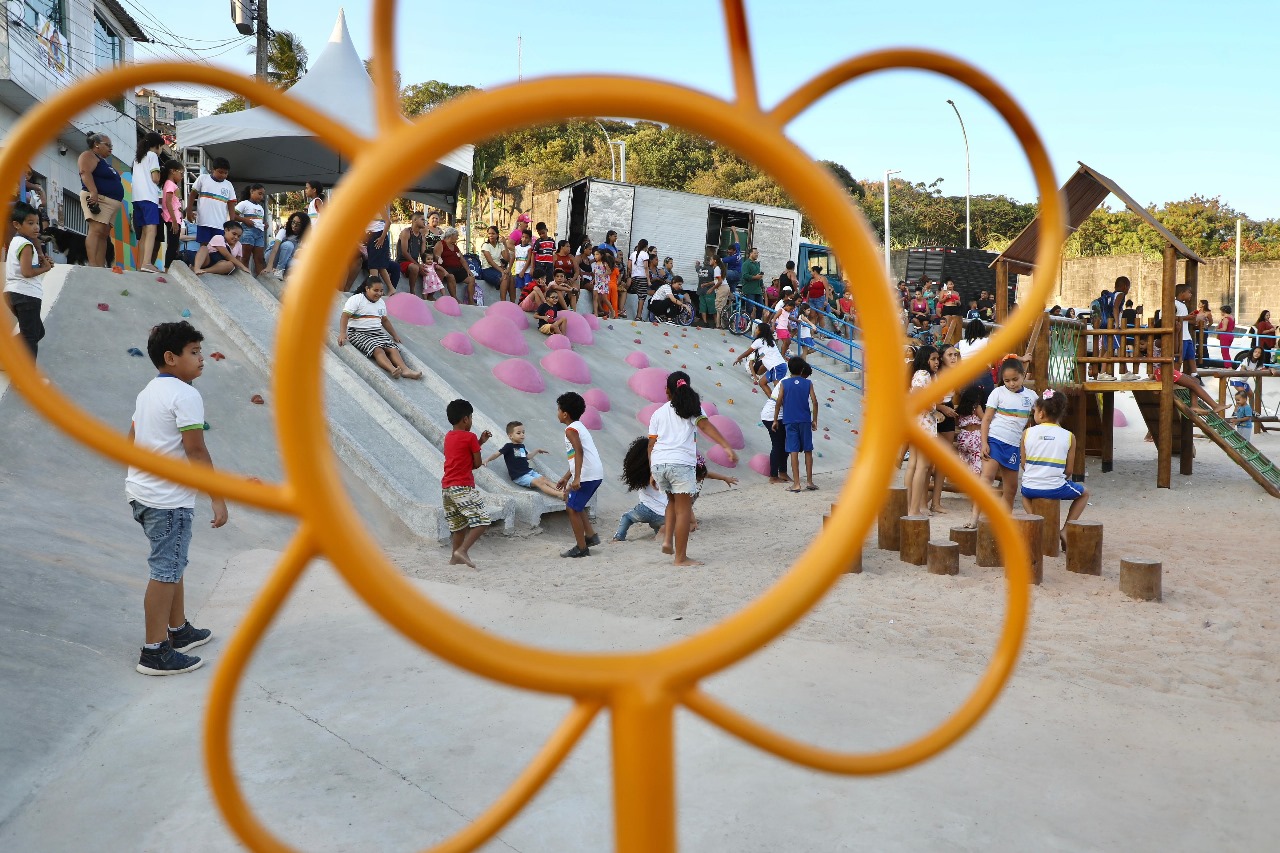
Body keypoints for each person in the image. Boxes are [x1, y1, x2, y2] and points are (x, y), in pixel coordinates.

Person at [127, 321, 227, 675]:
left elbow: (132, 437)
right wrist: (217, 497)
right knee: (165, 570)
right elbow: (196, 451)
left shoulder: (149, 391)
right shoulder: (186, 395)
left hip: (143, 493)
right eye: (194, 352)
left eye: (201, 351)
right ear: (171, 358)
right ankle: (154, 651)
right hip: (167, 501)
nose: (202, 359)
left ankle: (179, 630)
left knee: (173, 562)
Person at [648, 371, 738, 565]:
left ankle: (666, 540)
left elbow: (651, 445)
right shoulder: (691, 407)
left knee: (671, 503)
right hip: (680, 463)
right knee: (683, 511)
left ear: (667, 391)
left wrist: (652, 471)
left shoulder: (658, 413)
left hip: (659, 463)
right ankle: (680, 558)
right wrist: (725, 445)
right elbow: (705, 426)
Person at [965, 357, 1036, 528]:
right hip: (995, 440)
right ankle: (974, 517)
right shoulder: (998, 393)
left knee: (1011, 488)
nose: (1011, 384)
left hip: (1013, 445)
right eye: (1007, 380)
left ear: (1023, 375)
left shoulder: (1031, 396)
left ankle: (1004, 523)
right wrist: (984, 443)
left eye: (1015, 379)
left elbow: (1039, 417)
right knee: (986, 479)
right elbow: (987, 419)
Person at [1020, 389, 1088, 552]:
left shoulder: (1027, 433)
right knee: (1085, 493)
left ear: (1041, 413)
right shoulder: (1069, 436)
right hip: (1056, 487)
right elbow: (1069, 470)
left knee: (1024, 495)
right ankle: (1065, 530)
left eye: (1034, 411)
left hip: (1030, 487)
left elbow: (1024, 464)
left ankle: (1038, 522)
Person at [338, 276, 423, 379]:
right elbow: (345, 316)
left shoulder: (381, 302)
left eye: (381, 291)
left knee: (393, 348)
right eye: (376, 290)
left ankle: (405, 370)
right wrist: (343, 333)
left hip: (376, 332)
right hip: (358, 332)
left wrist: (394, 335)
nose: (379, 293)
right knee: (378, 349)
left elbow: (384, 320)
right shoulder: (356, 299)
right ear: (367, 289)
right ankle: (392, 369)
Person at [441, 399, 492, 567]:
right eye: (471, 418)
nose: (471, 421)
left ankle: (454, 559)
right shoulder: (470, 437)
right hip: (463, 486)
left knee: (459, 526)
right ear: (465, 419)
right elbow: (476, 464)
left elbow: (462, 457)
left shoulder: (449, 436)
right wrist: (478, 445)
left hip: (447, 488)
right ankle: (462, 550)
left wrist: (480, 442)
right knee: (483, 520)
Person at [555, 391, 604, 558]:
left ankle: (581, 548)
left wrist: (577, 479)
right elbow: (577, 456)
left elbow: (579, 451)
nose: (557, 413)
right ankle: (590, 535)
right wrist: (567, 477)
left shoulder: (570, 430)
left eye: (558, 409)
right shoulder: (579, 426)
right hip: (594, 473)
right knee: (574, 502)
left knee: (571, 508)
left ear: (565, 414)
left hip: (587, 475)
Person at [5, 202, 54, 358]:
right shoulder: (26, 245)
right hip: (26, 295)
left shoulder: (17, 241)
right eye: (30, 223)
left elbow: (27, 266)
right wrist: (45, 268)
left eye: (37, 223)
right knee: (30, 338)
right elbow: (27, 272)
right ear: (17, 225)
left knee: (38, 331)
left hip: (15, 293)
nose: (36, 227)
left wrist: (40, 259)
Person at [77, 133, 125, 268]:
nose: (111, 148)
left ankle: (99, 265)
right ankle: (93, 264)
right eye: (108, 145)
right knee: (96, 230)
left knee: (104, 234)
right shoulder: (88, 155)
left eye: (112, 146)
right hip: (99, 198)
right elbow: (84, 172)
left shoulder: (103, 161)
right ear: (96, 144)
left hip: (111, 202)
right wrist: (93, 192)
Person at [902, 345, 940, 516]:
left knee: (915, 466)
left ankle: (911, 507)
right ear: (925, 359)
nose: (937, 362)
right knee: (922, 467)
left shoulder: (919, 374)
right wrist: (933, 410)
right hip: (924, 423)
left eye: (937, 359)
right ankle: (913, 509)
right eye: (933, 359)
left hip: (918, 422)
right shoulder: (924, 375)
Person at [484, 421, 565, 499]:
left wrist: (537, 450)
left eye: (523, 432)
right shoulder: (508, 446)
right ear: (510, 436)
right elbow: (496, 454)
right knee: (539, 482)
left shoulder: (521, 446)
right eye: (518, 433)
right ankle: (559, 494)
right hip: (519, 476)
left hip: (529, 472)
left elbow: (527, 457)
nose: (522, 435)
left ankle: (563, 490)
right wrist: (487, 459)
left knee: (544, 479)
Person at [773, 356, 819, 493]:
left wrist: (775, 420)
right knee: (808, 450)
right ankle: (810, 482)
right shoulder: (808, 383)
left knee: (793, 450)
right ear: (802, 369)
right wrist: (815, 419)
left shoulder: (785, 384)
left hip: (790, 420)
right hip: (805, 419)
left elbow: (778, 402)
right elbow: (815, 402)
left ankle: (797, 483)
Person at [614, 437, 668, 541]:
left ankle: (618, 538)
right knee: (659, 526)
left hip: (645, 510)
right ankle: (661, 530)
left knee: (626, 518)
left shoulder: (640, 475)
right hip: (663, 514)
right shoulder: (661, 470)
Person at [930, 344, 961, 513]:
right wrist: (942, 409)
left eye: (955, 354)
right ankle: (922, 499)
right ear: (942, 357)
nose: (953, 357)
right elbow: (930, 400)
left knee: (943, 460)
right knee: (928, 461)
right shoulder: (934, 375)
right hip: (934, 411)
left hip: (947, 409)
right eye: (949, 355)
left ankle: (936, 501)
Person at [130, 132, 165, 273]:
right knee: (152, 230)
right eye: (161, 146)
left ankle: (141, 265)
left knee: (144, 232)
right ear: (157, 146)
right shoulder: (153, 156)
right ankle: (147, 263)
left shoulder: (137, 159)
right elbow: (155, 178)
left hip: (136, 198)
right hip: (149, 197)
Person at [186, 158, 238, 256]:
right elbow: (192, 195)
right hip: (204, 221)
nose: (222, 175)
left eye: (225, 173)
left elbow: (231, 204)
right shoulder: (203, 178)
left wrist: (232, 222)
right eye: (220, 172)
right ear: (212, 169)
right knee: (204, 246)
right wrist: (189, 211)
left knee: (217, 248)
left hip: (220, 223)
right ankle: (201, 266)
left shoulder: (228, 185)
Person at [755, 363, 788, 483]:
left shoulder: (788, 381)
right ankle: (774, 475)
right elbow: (782, 402)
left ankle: (782, 472)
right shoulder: (787, 382)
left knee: (784, 444)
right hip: (772, 416)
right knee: (778, 444)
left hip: (776, 415)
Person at [234, 184, 268, 276]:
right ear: (252, 191)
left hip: (259, 233)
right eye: (259, 194)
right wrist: (244, 220)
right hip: (248, 232)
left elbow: (260, 220)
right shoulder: (244, 204)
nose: (261, 197)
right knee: (245, 257)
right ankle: (245, 277)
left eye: (262, 195)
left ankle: (260, 278)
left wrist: (265, 224)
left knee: (259, 258)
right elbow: (233, 215)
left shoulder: (261, 207)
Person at [953, 384, 986, 477]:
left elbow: (957, 423)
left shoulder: (960, 408)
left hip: (963, 436)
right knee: (976, 463)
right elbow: (984, 420)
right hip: (975, 437)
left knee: (964, 462)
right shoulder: (977, 407)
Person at [435, 226, 475, 303]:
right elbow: (436, 256)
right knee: (451, 276)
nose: (457, 238)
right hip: (446, 269)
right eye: (456, 235)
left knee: (471, 279)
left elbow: (462, 259)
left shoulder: (455, 247)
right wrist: (439, 259)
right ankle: (455, 298)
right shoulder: (441, 244)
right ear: (451, 235)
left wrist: (468, 270)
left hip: (458, 269)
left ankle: (471, 300)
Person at [159, 159, 185, 272]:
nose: (182, 176)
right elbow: (168, 202)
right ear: (173, 171)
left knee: (174, 244)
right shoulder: (170, 184)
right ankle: (167, 269)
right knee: (172, 244)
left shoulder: (171, 185)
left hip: (175, 219)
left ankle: (169, 267)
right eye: (181, 173)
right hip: (172, 219)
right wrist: (174, 221)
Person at [267, 211, 308, 279]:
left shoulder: (304, 237)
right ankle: (279, 270)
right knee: (288, 245)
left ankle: (284, 273)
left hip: (287, 258)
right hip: (272, 256)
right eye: (293, 222)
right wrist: (269, 266)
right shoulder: (283, 231)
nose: (294, 225)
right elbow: (275, 249)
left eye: (298, 224)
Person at [396, 212, 428, 296]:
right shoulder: (406, 232)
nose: (425, 221)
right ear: (415, 220)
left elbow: (423, 254)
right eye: (422, 219)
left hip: (414, 262)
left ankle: (429, 296)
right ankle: (412, 292)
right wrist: (418, 265)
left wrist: (428, 264)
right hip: (402, 262)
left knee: (433, 270)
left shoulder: (422, 237)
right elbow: (404, 252)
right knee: (415, 268)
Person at [626, 238, 651, 321]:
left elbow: (629, 266)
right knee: (642, 297)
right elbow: (646, 267)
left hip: (634, 277)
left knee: (639, 294)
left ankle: (638, 315)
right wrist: (648, 280)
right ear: (646, 246)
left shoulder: (633, 254)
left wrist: (630, 274)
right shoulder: (645, 254)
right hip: (642, 277)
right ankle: (638, 316)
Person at [478, 224, 505, 296]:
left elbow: (507, 258)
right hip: (488, 269)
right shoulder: (486, 245)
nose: (491, 235)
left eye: (493, 233)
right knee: (505, 277)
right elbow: (490, 261)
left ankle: (512, 302)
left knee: (510, 278)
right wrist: (502, 270)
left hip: (497, 268)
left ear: (497, 235)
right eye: (489, 234)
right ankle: (503, 301)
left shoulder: (500, 245)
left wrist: (505, 244)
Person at [740, 246, 764, 320]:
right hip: (749, 290)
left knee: (760, 308)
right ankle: (746, 324)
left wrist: (762, 285)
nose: (757, 254)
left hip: (757, 290)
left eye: (757, 253)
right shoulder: (746, 264)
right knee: (749, 308)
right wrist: (755, 277)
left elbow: (759, 276)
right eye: (755, 253)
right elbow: (745, 275)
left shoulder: (757, 264)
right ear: (750, 254)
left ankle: (757, 324)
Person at [696, 250, 720, 328]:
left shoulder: (700, 269)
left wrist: (697, 264)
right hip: (709, 291)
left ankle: (705, 323)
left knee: (703, 307)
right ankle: (716, 322)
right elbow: (716, 281)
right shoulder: (712, 270)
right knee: (713, 308)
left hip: (700, 291)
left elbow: (696, 268)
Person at [1174, 287, 1195, 372]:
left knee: (1191, 357)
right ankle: (1175, 376)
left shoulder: (1183, 305)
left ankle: (1195, 374)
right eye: (1189, 292)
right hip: (1180, 336)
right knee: (1179, 359)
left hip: (1187, 336)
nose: (1190, 294)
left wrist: (1190, 318)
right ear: (1182, 292)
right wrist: (1186, 317)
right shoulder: (1173, 304)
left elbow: (1182, 319)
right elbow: (1167, 318)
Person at [574, 236, 596, 314]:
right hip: (583, 280)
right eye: (589, 249)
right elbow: (576, 268)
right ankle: (597, 309)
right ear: (584, 249)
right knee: (595, 289)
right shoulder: (578, 257)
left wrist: (594, 279)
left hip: (590, 279)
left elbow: (592, 272)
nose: (591, 251)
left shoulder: (589, 260)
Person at [592, 249, 615, 319]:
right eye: (595, 254)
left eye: (597, 254)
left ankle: (612, 310)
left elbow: (609, 271)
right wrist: (593, 280)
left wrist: (604, 275)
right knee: (595, 297)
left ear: (601, 255)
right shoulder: (595, 264)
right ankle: (595, 313)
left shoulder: (604, 263)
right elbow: (595, 274)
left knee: (604, 298)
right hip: (597, 282)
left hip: (603, 283)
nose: (595, 256)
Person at [511, 229, 533, 293]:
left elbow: (528, 260)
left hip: (527, 271)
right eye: (523, 237)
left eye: (526, 238)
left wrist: (523, 271)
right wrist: (509, 269)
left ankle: (527, 301)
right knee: (521, 288)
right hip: (518, 270)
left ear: (529, 239)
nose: (524, 239)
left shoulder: (529, 248)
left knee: (527, 287)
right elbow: (513, 257)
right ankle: (523, 301)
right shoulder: (517, 247)